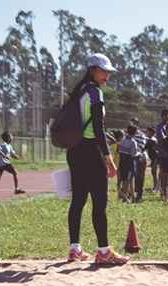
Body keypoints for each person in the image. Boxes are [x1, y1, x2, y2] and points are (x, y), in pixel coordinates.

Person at [65, 53, 130, 264]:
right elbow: (99, 130)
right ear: (93, 69)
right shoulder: (95, 93)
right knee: (99, 203)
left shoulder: (78, 92)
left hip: (74, 151)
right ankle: (103, 252)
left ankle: (75, 249)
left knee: (78, 201)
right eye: (104, 71)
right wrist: (109, 159)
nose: (107, 76)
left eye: (109, 72)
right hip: (91, 151)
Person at [118, 124, 140, 202]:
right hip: (129, 163)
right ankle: (126, 197)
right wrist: (139, 153)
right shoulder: (133, 142)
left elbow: (120, 151)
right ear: (135, 132)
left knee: (124, 179)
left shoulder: (123, 140)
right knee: (129, 180)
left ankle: (129, 196)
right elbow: (134, 154)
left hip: (122, 162)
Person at [130, 117, 148, 202]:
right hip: (131, 158)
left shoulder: (141, 135)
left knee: (140, 177)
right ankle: (131, 194)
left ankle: (139, 194)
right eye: (131, 123)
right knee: (132, 177)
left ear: (137, 125)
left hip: (141, 158)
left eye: (133, 123)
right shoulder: (128, 134)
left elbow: (141, 147)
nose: (131, 125)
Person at [144, 127, 158, 192]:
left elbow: (155, 151)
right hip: (153, 159)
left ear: (151, 132)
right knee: (154, 173)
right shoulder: (150, 140)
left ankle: (156, 187)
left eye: (148, 132)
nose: (146, 133)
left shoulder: (153, 140)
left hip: (156, 158)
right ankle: (156, 186)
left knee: (154, 172)